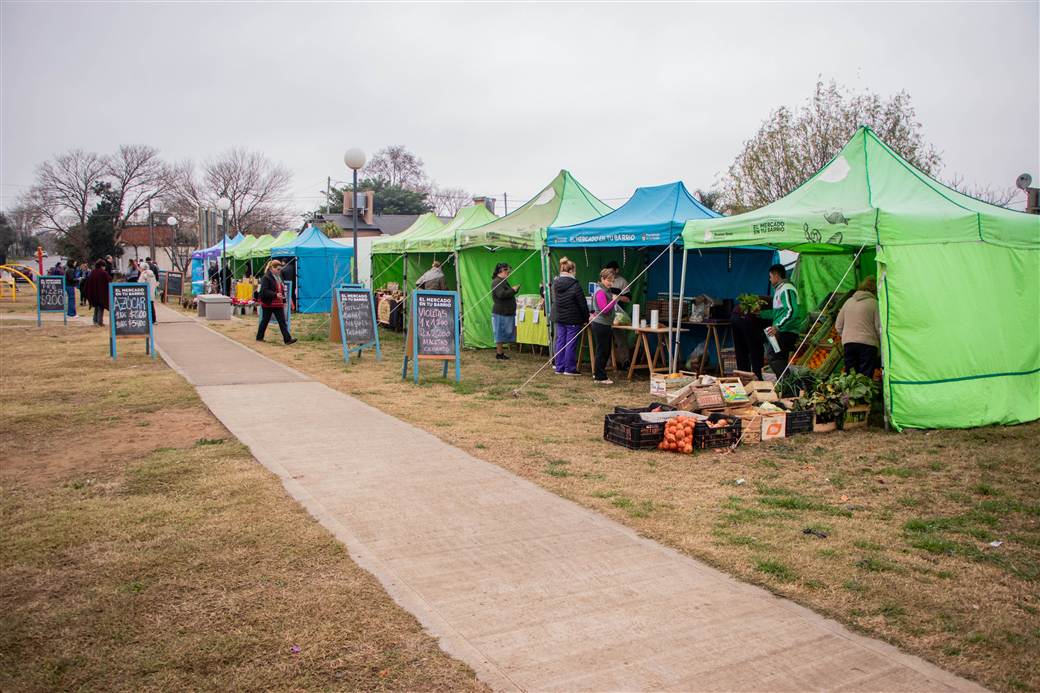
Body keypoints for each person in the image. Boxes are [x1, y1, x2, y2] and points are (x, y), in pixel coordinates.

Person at [836, 276, 881, 376]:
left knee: (850, 378)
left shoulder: (848, 302)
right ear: (875, 290)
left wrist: (847, 336)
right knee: (864, 378)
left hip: (849, 344)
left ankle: (850, 392)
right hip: (868, 346)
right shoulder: (874, 304)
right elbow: (879, 328)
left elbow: (838, 325)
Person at [551, 257, 589, 375]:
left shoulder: (556, 283)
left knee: (560, 342)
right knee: (570, 344)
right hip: (572, 318)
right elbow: (582, 303)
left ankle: (559, 367)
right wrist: (586, 317)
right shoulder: (575, 285)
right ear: (572, 270)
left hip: (560, 317)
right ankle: (569, 368)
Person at [762, 264, 801, 379]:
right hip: (783, 330)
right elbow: (777, 313)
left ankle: (789, 384)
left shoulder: (786, 289)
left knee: (772, 356)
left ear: (776, 275)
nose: (769, 280)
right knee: (780, 358)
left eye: (770, 277)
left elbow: (792, 311)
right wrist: (760, 314)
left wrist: (777, 326)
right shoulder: (780, 290)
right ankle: (786, 386)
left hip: (786, 331)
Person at [590, 268, 620, 385]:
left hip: (606, 324)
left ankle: (598, 373)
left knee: (605, 350)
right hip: (601, 324)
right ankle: (600, 376)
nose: (611, 283)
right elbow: (604, 310)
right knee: (602, 351)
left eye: (612, 281)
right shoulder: (600, 291)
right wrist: (614, 300)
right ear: (602, 279)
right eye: (608, 280)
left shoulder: (606, 290)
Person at [256, 260, 297, 344]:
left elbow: (281, 290)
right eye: (278, 269)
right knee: (265, 321)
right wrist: (275, 295)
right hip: (268, 303)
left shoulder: (279, 277)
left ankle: (287, 339)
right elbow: (264, 291)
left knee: (282, 322)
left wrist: (284, 299)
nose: (279, 271)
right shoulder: (266, 277)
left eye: (280, 269)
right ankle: (259, 337)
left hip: (278, 304)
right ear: (272, 268)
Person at [603, 261, 632, 370]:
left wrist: (618, 297)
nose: (610, 273)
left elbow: (628, 299)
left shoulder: (622, 281)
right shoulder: (603, 281)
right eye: (607, 271)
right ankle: (608, 362)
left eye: (611, 270)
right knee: (605, 340)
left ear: (616, 270)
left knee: (621, 339)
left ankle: (625, 362)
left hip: (618, 316)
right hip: (605, 315)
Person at [731, 299, 768, 380]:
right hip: (749, 319)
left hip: (735, 316)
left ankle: (744, 379)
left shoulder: (760, 302)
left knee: (741, 351)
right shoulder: (770, 307)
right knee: (756, 351)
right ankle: (758, 380)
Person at [490, 262, 519, 360]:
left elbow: (505, 293)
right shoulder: (497, 281)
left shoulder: (502, 281)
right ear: (501, 270)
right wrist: (513, 290)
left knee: (503, 333)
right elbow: (501, 295)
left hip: (505, 311)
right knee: (499, 333)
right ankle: (499, 354)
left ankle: (501, 353)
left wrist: (514, 290)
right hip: (500, 312)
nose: (509, 272)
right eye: (507, 270)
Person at [83, 260, 111, 326]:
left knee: (96, 307)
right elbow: (109, 281)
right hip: (102, 294)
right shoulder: (104, 273)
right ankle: (99, 322)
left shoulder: (93, 272)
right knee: (101, 307)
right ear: (102, 266)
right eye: (104, 266)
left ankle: (95, 321)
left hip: (94, 293)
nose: (105, 268)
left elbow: (88, 282)